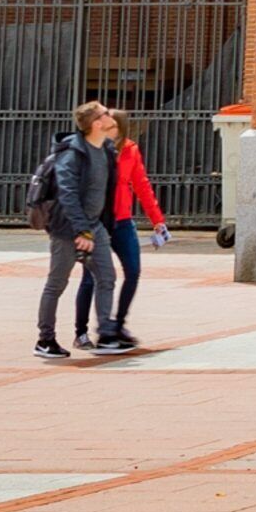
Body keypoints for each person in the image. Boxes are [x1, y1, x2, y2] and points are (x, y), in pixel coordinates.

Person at [33, 101, 120, 361]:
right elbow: (67, 195)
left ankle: (106, 334)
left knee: (107, 277)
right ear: (96, 123)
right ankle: (45, 339)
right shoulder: (72, 154)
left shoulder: (105, 149)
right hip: (67, 229)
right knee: (57, 283)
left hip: (94, 227)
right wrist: (81, 232)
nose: (110, 115)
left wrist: (99, 226)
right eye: (105, 113)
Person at [80, 112, 169, 353]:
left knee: (133, 271)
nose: (108, 129)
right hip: (98, 222)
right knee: (92, 277)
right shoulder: (94, 150)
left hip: (122, 221)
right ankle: (83, 330)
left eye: (112, 126)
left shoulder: (130, 150)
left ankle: (116, 325)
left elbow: (142, 185)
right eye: (105, 125)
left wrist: (157, 220)